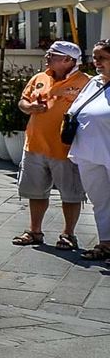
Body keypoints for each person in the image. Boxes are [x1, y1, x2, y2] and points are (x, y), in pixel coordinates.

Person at [13, 40, 88, 249]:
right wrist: (30, 107)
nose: (47, 57)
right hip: (35, 144)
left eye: (52, 55)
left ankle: (68, 234)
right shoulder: (39, 77)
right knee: (35, 192)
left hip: (66, 148)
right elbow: (22, 102)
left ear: (68, 60)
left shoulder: (86, 82)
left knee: (71, 194)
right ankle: (34, 231)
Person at [69, 41, 110, 262]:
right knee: (100, 199)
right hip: (89, 152)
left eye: (102, 58)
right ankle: (106, 242)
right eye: (94, 57)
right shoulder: (93, 83)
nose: (96, 62)